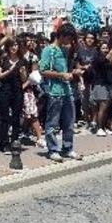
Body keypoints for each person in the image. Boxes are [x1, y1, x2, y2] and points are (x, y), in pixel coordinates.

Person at [38, 23, 83, 163]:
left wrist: (73, 72)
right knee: (52, 122)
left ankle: (68, 148)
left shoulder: (65, 50)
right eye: (69, 38)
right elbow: (43, 70)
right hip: (54, 91)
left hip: (67, 90)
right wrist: (61, 75)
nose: (69, 42)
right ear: (62, 36)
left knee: (69, 122)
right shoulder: (48, 50)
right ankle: (53, 149)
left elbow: (66, 69)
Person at [0, 37, 27, 150]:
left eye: (16, 45)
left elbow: (24, 79)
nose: (14, 47)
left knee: (16, 117)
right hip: (5, 90)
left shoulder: (22, 60)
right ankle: (3, 142)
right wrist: (9, 70)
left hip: (17, 91)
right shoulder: (3, 59)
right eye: (12, 45)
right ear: (8, 47)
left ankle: (14, 141)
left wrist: (22, 73)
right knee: (4, 117)